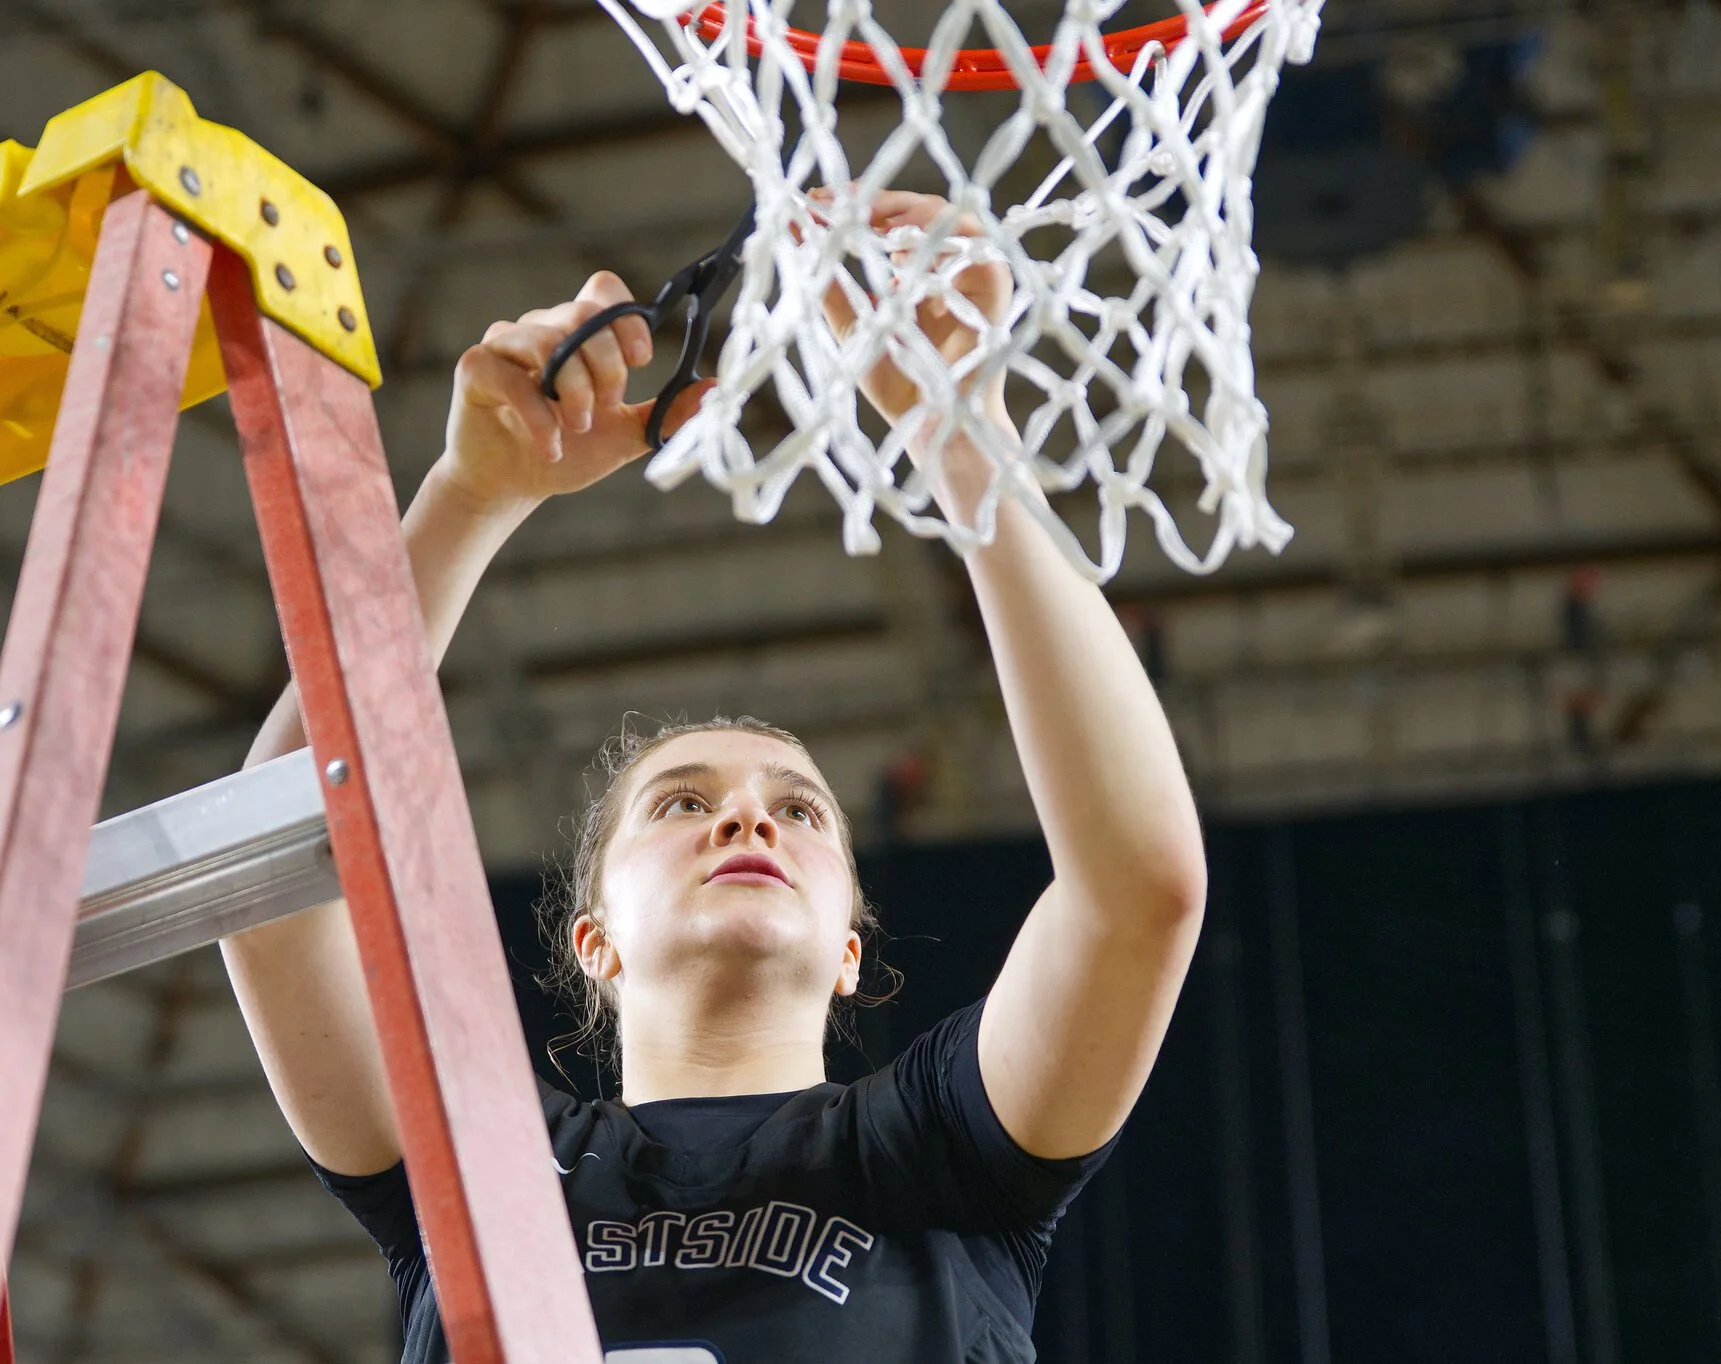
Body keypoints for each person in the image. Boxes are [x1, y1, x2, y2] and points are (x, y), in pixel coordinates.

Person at [220, 191, 1207, 1362]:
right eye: (680, 802)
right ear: (594, 940)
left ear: (850, 943)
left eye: (799, 810)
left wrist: (960, 429)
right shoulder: (485, 1174)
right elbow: (268, 887)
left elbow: (1136, 889)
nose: (747, 813)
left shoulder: (931, 1149)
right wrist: (469, 500)